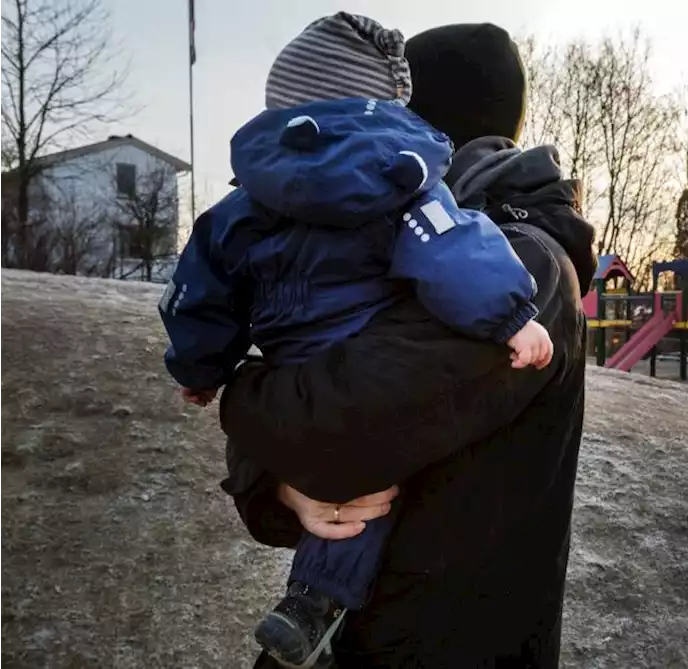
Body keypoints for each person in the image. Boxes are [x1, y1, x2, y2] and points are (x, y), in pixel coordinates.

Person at [158, 14, 559, 667]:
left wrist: (226, 385)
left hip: (433, 639)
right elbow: (324, 435)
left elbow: (347, 429)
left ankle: (316, 598)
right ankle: (313, 601)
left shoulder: (526, 261)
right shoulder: (413, 224)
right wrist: (284, 489)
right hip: (365, 634)